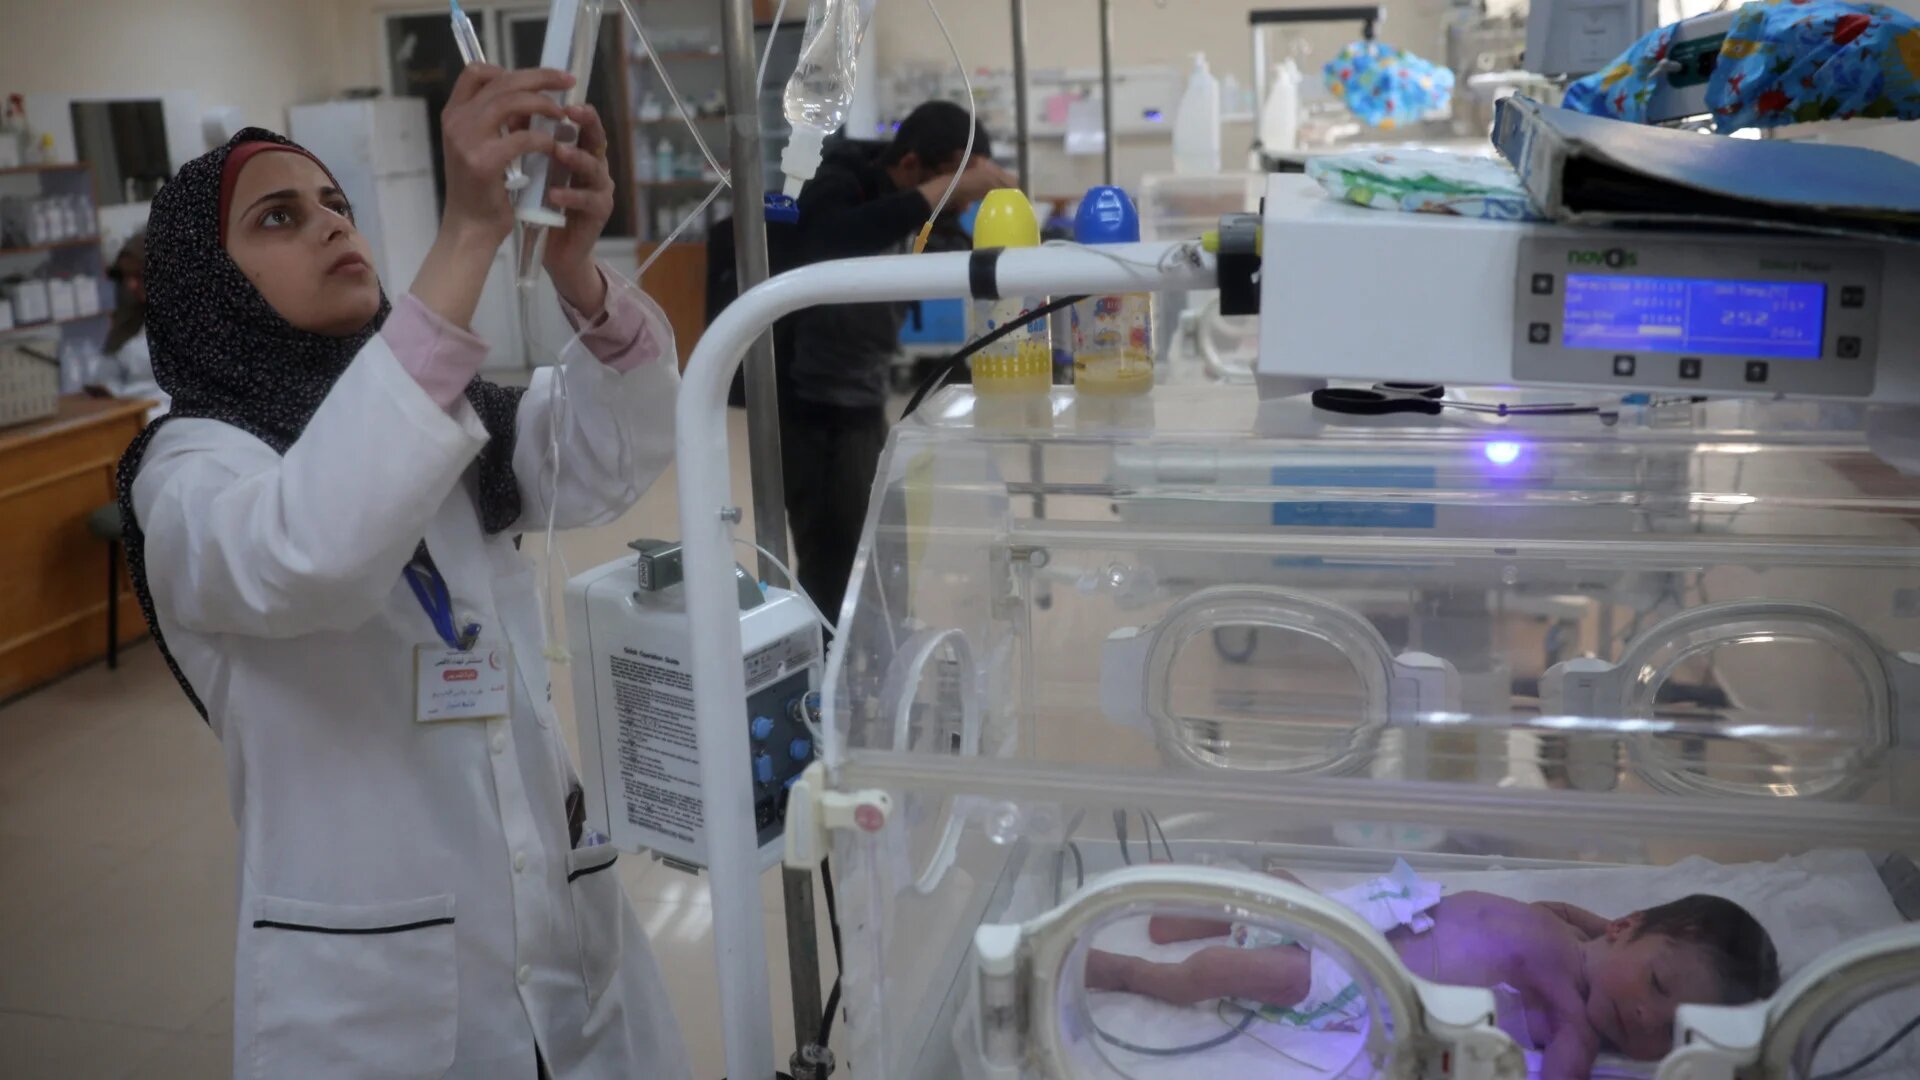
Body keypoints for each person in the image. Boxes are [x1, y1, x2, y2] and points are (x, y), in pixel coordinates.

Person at [116, 65, 689, 1078]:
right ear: (210, 280)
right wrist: (466, 237)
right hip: (377, 993)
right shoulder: (190, 472)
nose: (333, 226)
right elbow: (311, 553)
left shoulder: (445, 412)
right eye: (280, 218)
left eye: (336, 204)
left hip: (556, 929)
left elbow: (601, 459)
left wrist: (575, 273)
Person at [1086, 873, 1779, 1080]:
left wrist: (1581, 1036)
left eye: (1678, 1031)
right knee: (1275, 889)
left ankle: (1135, 974)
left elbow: (1564, 1064)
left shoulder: (1572, 1020)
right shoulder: (1574, 938)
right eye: (1657, 988)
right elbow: (1540, 915)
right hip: (1377, 912)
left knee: (1225, 971)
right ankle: (1193, 915)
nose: (1646, 1021)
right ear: (1624, 927)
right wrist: (1592, 925)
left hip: (1357, 977)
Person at [779, 101, 1016, 620]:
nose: (953, 207)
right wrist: (937, 193)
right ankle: (827, 682)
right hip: (809, 407)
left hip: (863, 398)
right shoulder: (837, 182)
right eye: (950, 193)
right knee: (834, 559)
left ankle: (881, 656)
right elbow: (830, 240)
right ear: (910, 165)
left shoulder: (925, 216)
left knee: (885, 545)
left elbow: (958, 253)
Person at [89, 232, 168, 419]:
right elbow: (106, 376)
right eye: (126, 277)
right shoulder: (129, 322)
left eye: (138, 275)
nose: (131, 285)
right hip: (128, 417)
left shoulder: (197, 321)